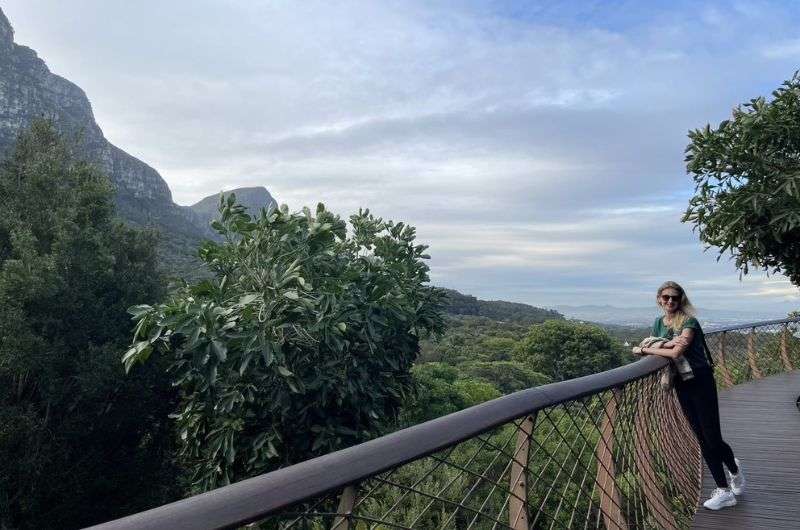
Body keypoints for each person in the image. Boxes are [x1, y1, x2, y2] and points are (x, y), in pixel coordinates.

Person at [637, 281, 745, 510]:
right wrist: (663, 346)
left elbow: (675, 351)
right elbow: (664, 349)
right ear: (659, 299)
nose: (670, 301)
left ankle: (734, 471)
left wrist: (643, 349)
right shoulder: (658, 322)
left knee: (712, 437)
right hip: (681, 383)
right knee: (701, 438)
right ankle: (725, 490)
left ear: (681, 300)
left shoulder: (689, 322)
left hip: (701, 381)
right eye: (666, 297)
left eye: (675, 298)